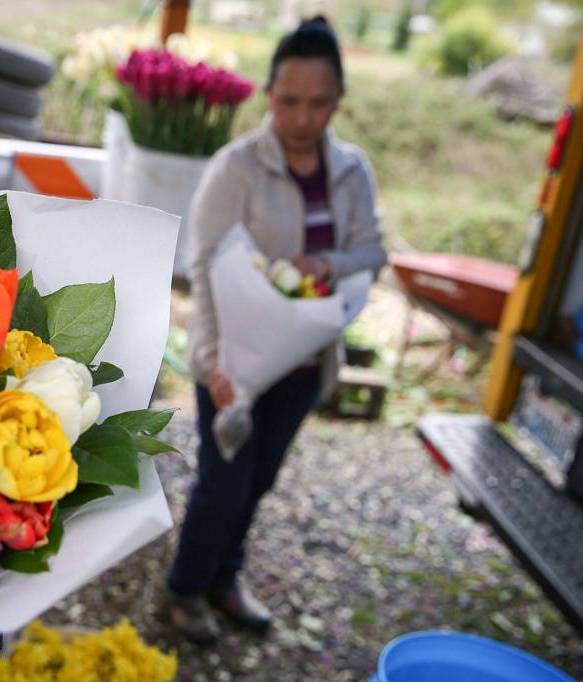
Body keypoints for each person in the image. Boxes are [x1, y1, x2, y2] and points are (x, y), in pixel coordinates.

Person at [165, 17, 387, 643]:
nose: (301, 117)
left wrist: (329, 264)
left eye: (318, 103)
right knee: (223, 483)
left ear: (337, 102)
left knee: (260, 480)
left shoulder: (351, 170)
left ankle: (224, 578)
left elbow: (372, 250)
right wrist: (213, 365)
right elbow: (204, 268)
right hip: (233, 364)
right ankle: (184, 587)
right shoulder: (236, 167)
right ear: (269, 96)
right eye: (289, 101)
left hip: (304, 364)